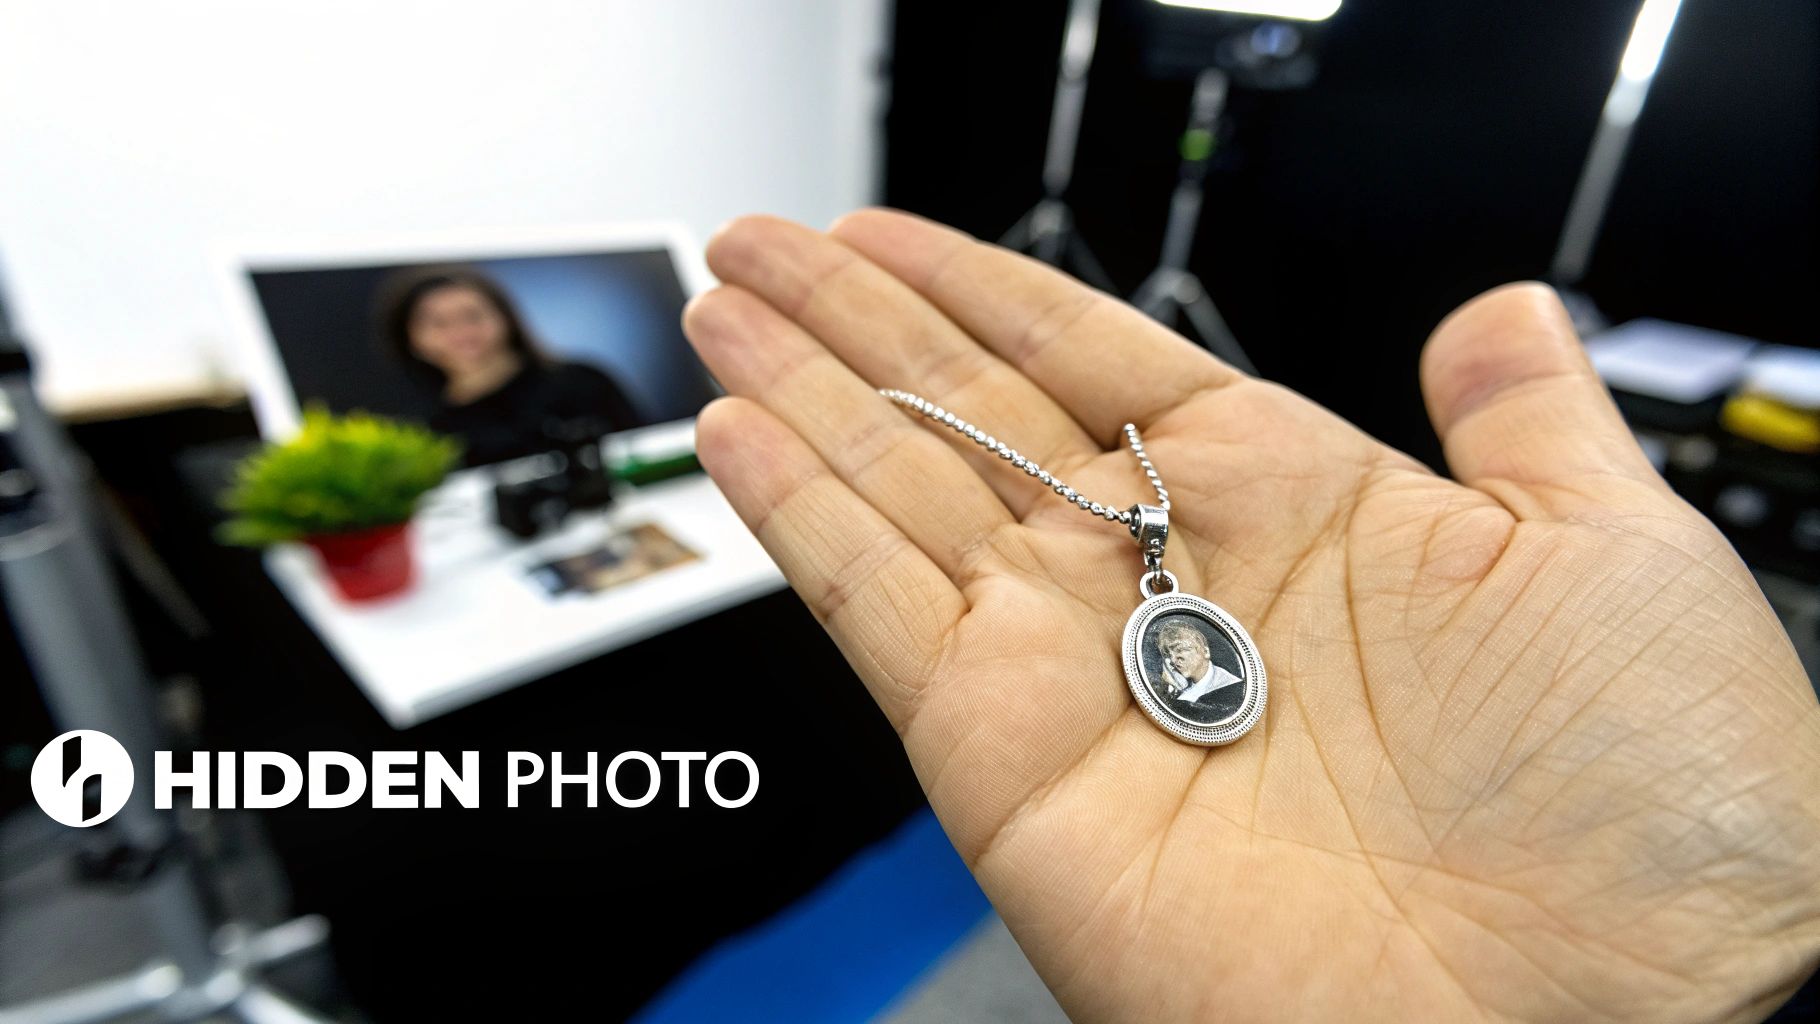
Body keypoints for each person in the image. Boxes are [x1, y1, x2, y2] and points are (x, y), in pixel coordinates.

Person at [679, 208, 1820, 1023]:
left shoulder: (1176, 588)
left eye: (1175, 643)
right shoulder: (1160, 584)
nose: (1178, 648)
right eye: (1173, 646)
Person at [377, 265, 642, 466]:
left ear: (506, 318)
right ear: (411, 340)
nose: (460, 332)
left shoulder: (582, 381)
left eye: (472, 316)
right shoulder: (431, 437)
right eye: (439, 323)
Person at [1155, 619, 1241, 705]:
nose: (1173, 660)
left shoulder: (1231, 686)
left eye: (1180, 650)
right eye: (1168, 655)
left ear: (1206, 652)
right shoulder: (1180, 691)